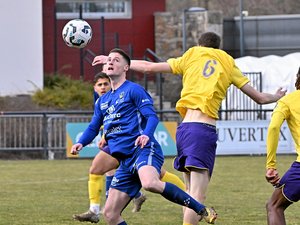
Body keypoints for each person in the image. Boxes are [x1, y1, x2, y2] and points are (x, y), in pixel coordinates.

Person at [92, 32, 286, 225]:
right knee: (197, 196)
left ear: (199, 45)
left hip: (184, 130)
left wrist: (118, 63)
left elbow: (149, 67)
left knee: (188, 192)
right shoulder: (228, 61)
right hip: (203, 130)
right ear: (218, 47)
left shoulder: (191, 55)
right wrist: (276, 96)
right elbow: (260, 98)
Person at [72, 48, 217, 225]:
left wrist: (147, 135)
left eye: (116, 60)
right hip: (125, 160)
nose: (110, 62)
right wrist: (80, 142)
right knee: (110, 214)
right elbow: (94, 127)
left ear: (126, 68)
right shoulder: (102, 101)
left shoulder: (134, 90)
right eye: (109, 60)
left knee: (150, 183)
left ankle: (201, 209)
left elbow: (151, 116)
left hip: (142, 150)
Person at [73, 71, 186, 223]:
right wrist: (103, 136)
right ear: (94, 88)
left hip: (131, 140)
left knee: (98, 169)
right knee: (148, 174)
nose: (103, 87)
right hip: (115, 141)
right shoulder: (99, 100)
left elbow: (127, 116)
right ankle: (130, 199)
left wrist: (106, 136)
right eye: (99, 85)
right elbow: (105, 120)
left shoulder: (128, 91)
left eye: (106, 83)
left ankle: (98, 209)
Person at [265, 67, 300, 225]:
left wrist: (270, 165)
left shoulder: (288, 101)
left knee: (274, 206)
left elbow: (273, 127)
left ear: (298, 77)